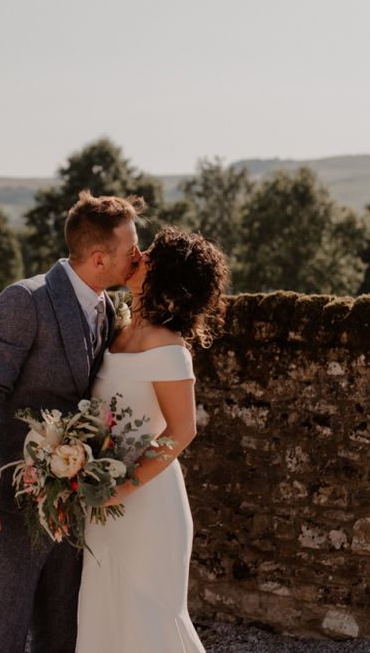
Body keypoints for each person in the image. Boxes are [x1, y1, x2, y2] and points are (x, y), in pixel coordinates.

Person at [0, 190, 145, 653]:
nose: (139, 255)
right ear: (99, 258)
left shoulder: (110, 308)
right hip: (12, 500)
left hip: (75, 500)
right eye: (131, 248)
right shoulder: (26, 300)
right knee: (5, 630)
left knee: (63, 628)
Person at [76, 226, 229, 653]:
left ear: (167, 277)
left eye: (153, 254)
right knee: (106, 616)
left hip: (146, 504)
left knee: (149, 622)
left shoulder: (167, 346)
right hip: (105, 500)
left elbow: (183, 430)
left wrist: (123, 486)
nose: (140, 253)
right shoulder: (119, 325)